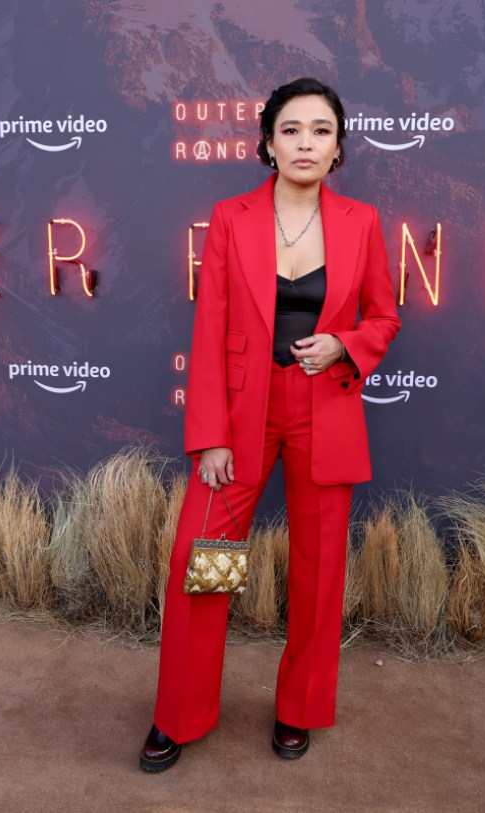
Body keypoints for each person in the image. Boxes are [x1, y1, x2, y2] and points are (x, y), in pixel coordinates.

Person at [140, 77, 400, 772]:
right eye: (291, 129)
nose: (305, 142)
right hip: (242, 417)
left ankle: (299, 708)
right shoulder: (232, 218)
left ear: (339, 147)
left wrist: (346, 344)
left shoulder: (362, 223)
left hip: (325, 412)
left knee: (318, 573)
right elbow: (210, 327)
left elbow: (384, 316)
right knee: (206, 564)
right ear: (268, 142)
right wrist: (211, 435)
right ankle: (181, 711)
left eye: (320, 129)